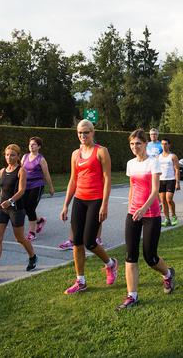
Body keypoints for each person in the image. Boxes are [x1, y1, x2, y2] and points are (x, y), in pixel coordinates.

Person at [117, 129, 176, 310]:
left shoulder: (153, 163)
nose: (135, 147)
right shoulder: (130, 164)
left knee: (150, 257)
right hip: (133, 213)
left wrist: (143, 209)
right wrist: (130, 208)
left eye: (138, 144)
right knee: (130, 255)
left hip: (150, 214)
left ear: (145, 144)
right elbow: (132, 188)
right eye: (132, 144)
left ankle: (167, 274)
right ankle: (132, 296)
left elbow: (154, 191)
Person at [59, 120, 118, 294]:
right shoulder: (75, 154)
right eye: (79, 133)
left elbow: (107, 179)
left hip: (96, 199)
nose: (83, 136)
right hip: (80, 199)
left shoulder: (101, 151)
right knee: (76, 242)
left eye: (86, 132)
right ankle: (81, 281)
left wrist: (105, 204)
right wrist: (65, 205)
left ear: (92, 132)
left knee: (90, 242)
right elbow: (73, 180)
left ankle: (111, 264)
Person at [0, 144, 38, 281]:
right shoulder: (2, 171)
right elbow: (3, 190)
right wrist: (0, 203)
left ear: (18, 156)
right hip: (2, 208)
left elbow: (22, 190)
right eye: (7, 155)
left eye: (12, 155)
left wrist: (10, 201)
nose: (9, 157)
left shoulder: (21, 171)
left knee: (20, 238)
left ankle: (33, 256)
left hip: (16, 208)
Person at [22, 136, 55, 241]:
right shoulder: (25, 157)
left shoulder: (41, 159)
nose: (31, 146)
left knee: (30, 208)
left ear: (39, 146)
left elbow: (46, 174)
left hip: (37, 185)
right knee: (25, 208)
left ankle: (32, 232)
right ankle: (40, 220)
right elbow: (20, 171)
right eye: (30, 144)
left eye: (34, 144)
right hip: (25, 185)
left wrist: (51, 187)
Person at [159, 137, 181, 227]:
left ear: (169, 145)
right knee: (163, 200)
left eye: (165, 144)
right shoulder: (158, 157)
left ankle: (174, 216)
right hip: (161, 180)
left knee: (169, 199)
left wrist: (177, 182)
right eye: (162, 144)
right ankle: (167, 219)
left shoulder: (173, 156)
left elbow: (177, 169)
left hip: (171, 180)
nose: (164, 146)